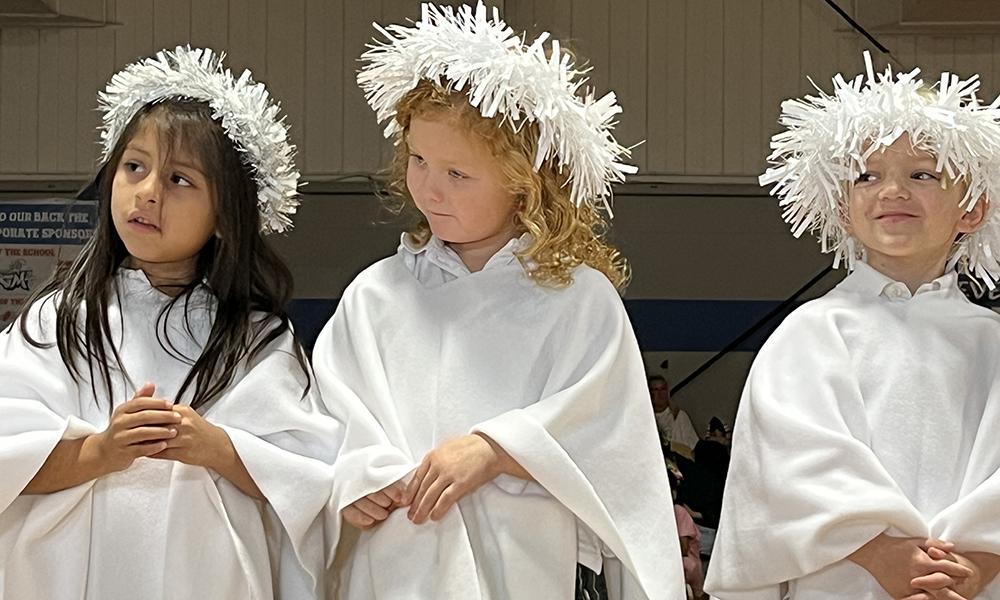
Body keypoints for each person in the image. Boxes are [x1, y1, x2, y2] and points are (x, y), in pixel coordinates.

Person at [315, 3, 684, 599]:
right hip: (397, 569)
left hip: (527, 567)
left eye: (457, 174)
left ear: (525, 182)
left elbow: (613, 441)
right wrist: (355, 475)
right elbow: (330, 419)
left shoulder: (576, 299)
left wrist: (496, 449)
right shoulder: (375, 296)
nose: (428, 187)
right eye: (417, 160)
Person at [0, 46, 342, 599]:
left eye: (180, 179)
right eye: (134, 167)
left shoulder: (257, 342)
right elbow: (8, 458)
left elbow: (308, 481)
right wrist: (100, 451)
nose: (148, 191)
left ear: (226, 216)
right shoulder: (59, 319)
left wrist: (215, 446)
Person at [705, 53, 1000, 599]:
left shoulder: (993, 342)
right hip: (845, 580)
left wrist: (979, 562)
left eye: (922, 174)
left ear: (972, 209)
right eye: (867, 176)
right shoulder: (810, 334)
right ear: (843, 208)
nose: (892, 191)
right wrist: (879, 553)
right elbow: (784, 469)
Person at [650, 374, 700, 458]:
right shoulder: (647, 420)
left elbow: (693, 448)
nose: (660, 393)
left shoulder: (679, 416)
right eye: (655, 390)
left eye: (663, 389)